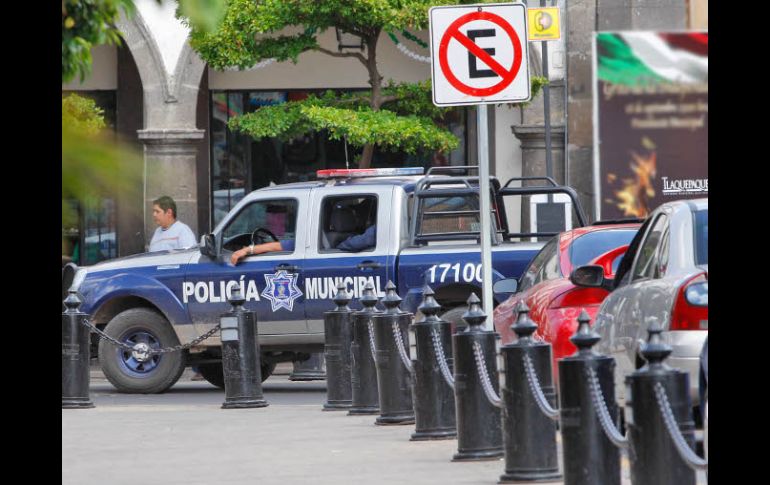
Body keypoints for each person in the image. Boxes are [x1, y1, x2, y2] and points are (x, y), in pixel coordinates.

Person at [230, 225, 376, 265]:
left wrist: (248, 249)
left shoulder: (374, 232)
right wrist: (249, 249)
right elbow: (287, 245)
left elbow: (356, 243)